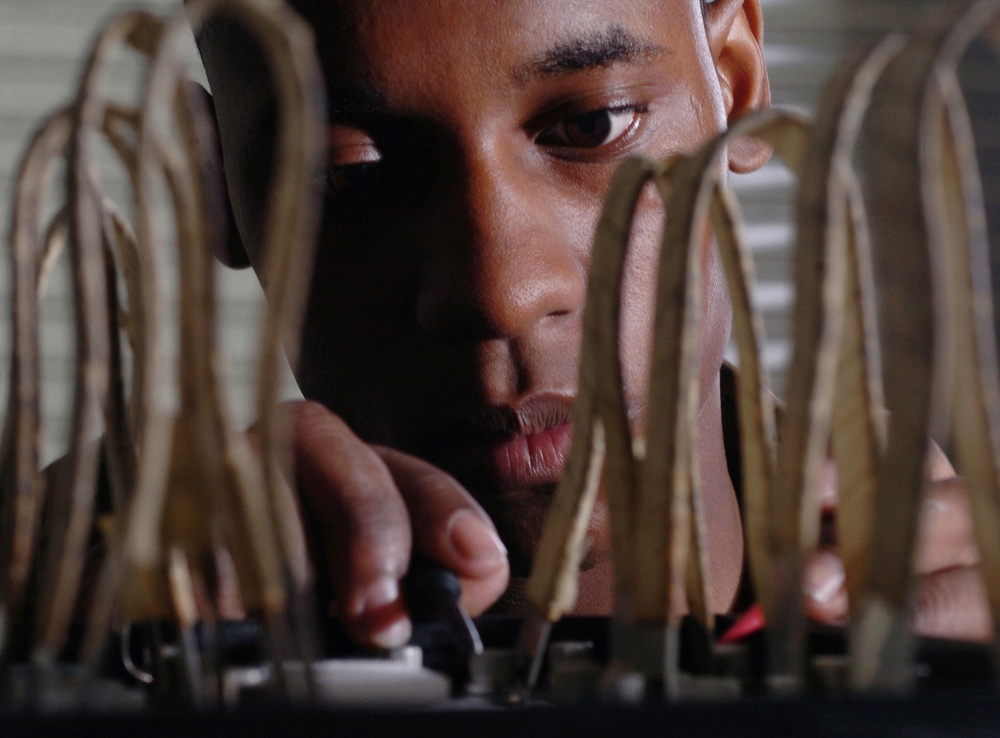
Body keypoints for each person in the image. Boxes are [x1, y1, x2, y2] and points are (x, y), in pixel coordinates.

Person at [192, 0, 988, 650]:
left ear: (736, 85)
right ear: (211, 180)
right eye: (346, 171)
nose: (501, 293)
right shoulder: (117, 622)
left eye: (595, 126)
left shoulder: (954, 637)